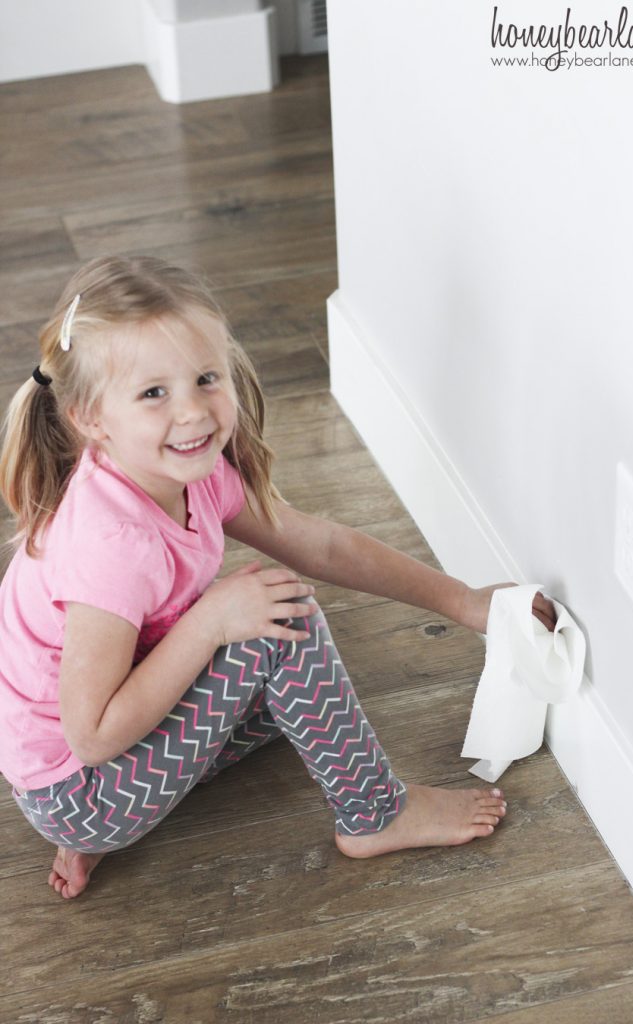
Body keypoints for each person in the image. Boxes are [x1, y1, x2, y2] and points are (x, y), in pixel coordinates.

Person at [0, 256, 556, 900]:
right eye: (153, 393)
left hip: (102, 759)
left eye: (206, 378)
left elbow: (320, 545)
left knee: (278, 642)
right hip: (83, 791)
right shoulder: (110, 544)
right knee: (282, 619)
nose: (192, 413)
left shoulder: (188, 473)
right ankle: (377, 814)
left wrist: (464, 601)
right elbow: (91, 737)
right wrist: (210, 622)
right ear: (90, 419)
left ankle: (111, 825)